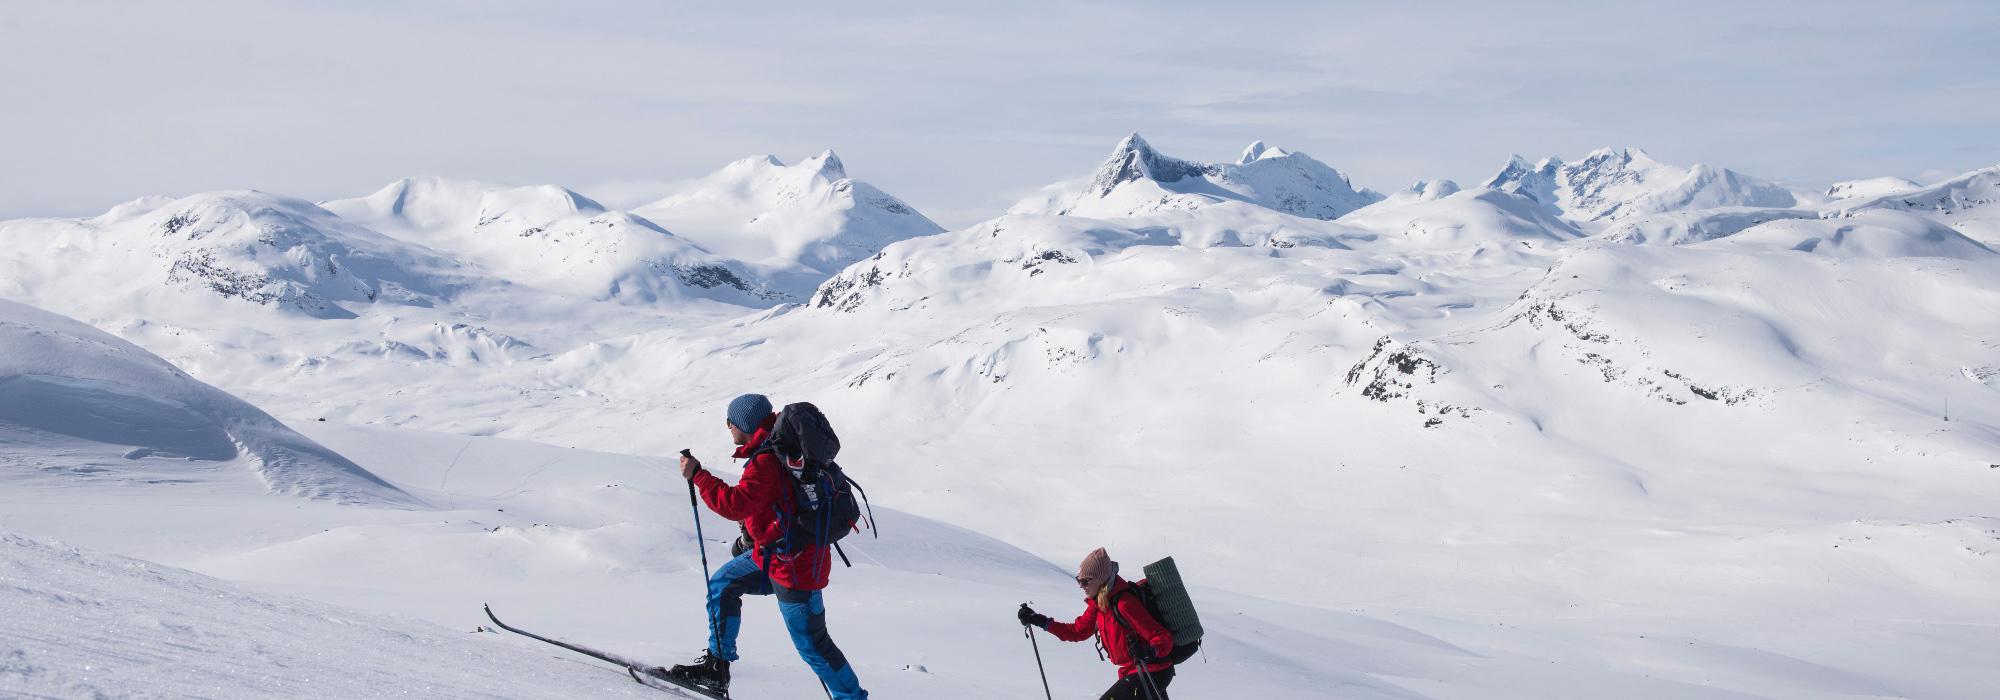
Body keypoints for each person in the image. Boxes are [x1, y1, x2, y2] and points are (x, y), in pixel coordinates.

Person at [654, 393, 868, 699]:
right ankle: (717, 668)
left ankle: (853, 698)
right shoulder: (778, 448)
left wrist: (699, 476)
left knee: (813, 644)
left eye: (731, 422)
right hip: (774, 557)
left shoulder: (767, 459)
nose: (728, 427)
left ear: (745, 423)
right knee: (723, 584)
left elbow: (735, 504)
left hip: (795, 568)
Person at [1018, 548, 1176, 700]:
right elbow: (1076, 631)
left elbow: (1163, 638)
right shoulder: (1099, 606)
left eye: (1086, 581)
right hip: (1135, 672)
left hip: (1152, 672)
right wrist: (1039, 620)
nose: (1081, 585)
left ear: (1101, 580)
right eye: (1078, 580)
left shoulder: (1124, 604)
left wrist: (1149, 651)